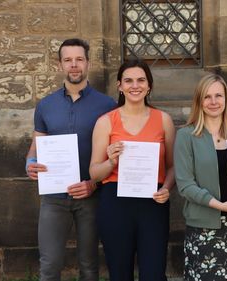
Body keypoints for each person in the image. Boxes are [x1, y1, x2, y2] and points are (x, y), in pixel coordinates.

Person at [25, 38, 116, 281]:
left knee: (89, 266)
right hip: (53, 198)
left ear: (88, 63)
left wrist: (93, 184)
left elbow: (113, 155)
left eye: (79, 59)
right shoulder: (45, 105)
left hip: (91, 196)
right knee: (50, 266)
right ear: (60, 65)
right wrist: (30, 163)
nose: (73, 65)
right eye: (68, 60)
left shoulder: (107, 105)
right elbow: (35, 145)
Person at [89, 58, 176, 281]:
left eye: (140, 80)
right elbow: (94, 173)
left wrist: (166, 188)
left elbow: (173, 166)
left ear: (149, 85)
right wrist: (111, 162)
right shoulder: (106, 122)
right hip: (115, 202)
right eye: (128, 80)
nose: (134, 86)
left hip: (153, 202)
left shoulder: (163, 120)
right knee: (119, 273)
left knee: (154, 273)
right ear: (119, 85)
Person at [174, 73, 227, 281]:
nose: (213, 102)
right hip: (203, 229)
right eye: (207, 96)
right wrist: (222, 206)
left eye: (218, 96)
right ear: (199, 101)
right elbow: (185, 185)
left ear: (226, 99)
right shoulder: (187, 136)